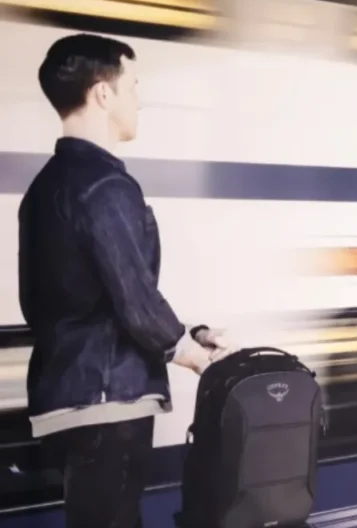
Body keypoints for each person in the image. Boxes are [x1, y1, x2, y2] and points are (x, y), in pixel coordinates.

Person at [17, 32, 235, 528]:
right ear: (102, 93)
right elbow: (134, 299)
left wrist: (192, 331)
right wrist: (196, 356)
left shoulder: (46, 187)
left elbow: (81, 299)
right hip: (107, 403)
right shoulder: (105, 185)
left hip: (68, 395)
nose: (141, 99)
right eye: (133, 85)